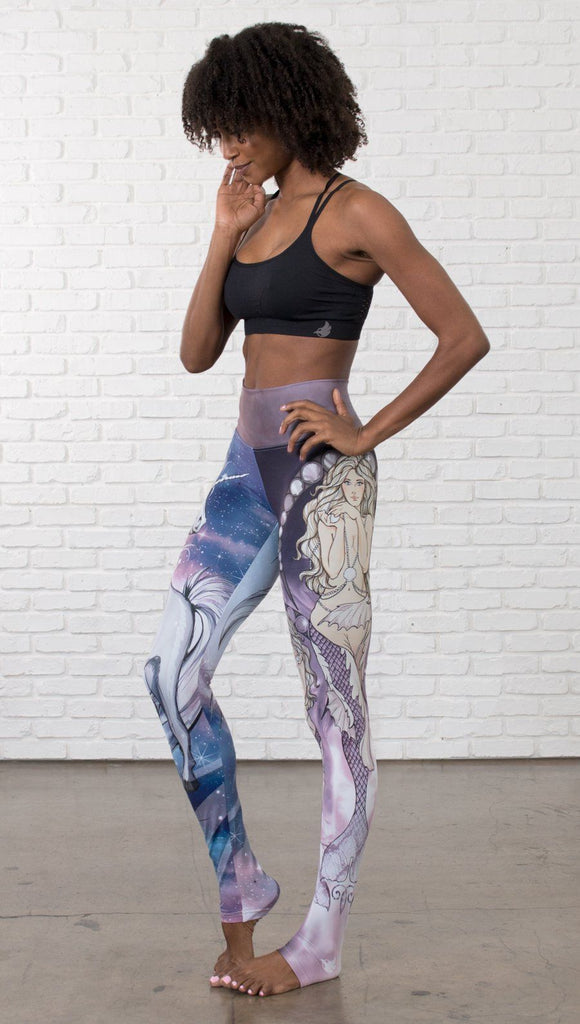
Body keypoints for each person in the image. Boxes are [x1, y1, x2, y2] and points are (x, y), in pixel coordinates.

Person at [143, 21, 490, 999]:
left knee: (334, 709)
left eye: (239, 122)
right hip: (242, 472)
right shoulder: (249, 217)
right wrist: (223, 232)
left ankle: (322, 938)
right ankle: (241, 874)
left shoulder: (357, 211)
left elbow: (463, 335)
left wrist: (363, 430)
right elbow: (197, 353)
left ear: (288, 108)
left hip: (320, 479)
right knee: (171, 672)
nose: (227, 144)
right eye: (215, 128)